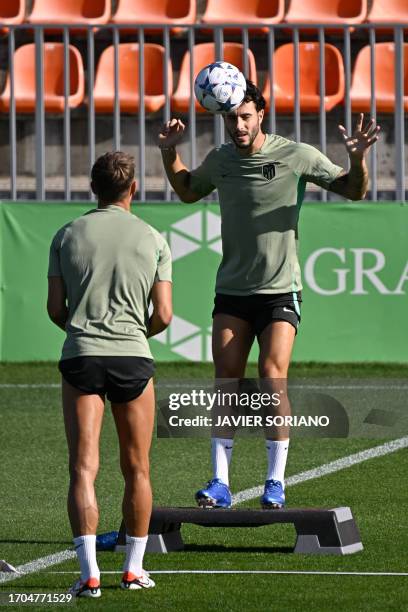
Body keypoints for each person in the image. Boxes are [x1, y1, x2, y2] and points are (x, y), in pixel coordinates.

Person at [158, 80, 380, 509]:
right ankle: (220, 483)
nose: (238, 126)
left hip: (280, 291)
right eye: (230, 118)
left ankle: (274, 483)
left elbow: (354, 189)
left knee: (271, 378)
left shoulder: (296, 154)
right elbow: (187, 191)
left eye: (245, 116)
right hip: (232, 292)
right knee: (226, 383)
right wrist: (170, 151)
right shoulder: (220, 160)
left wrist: (357, 159)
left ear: (261, 114)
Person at [47, 151, 172, 597]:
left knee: (83, 468)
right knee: (137, 468)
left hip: (81, 354)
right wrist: (136, 333)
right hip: (133, 356)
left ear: (92, 188)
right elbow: (164, 315)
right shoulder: (153, 238)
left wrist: (85, 330)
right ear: (133, 188)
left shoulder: (66, 235)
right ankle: (133, 569)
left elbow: (55, 310)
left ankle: (88, 574)